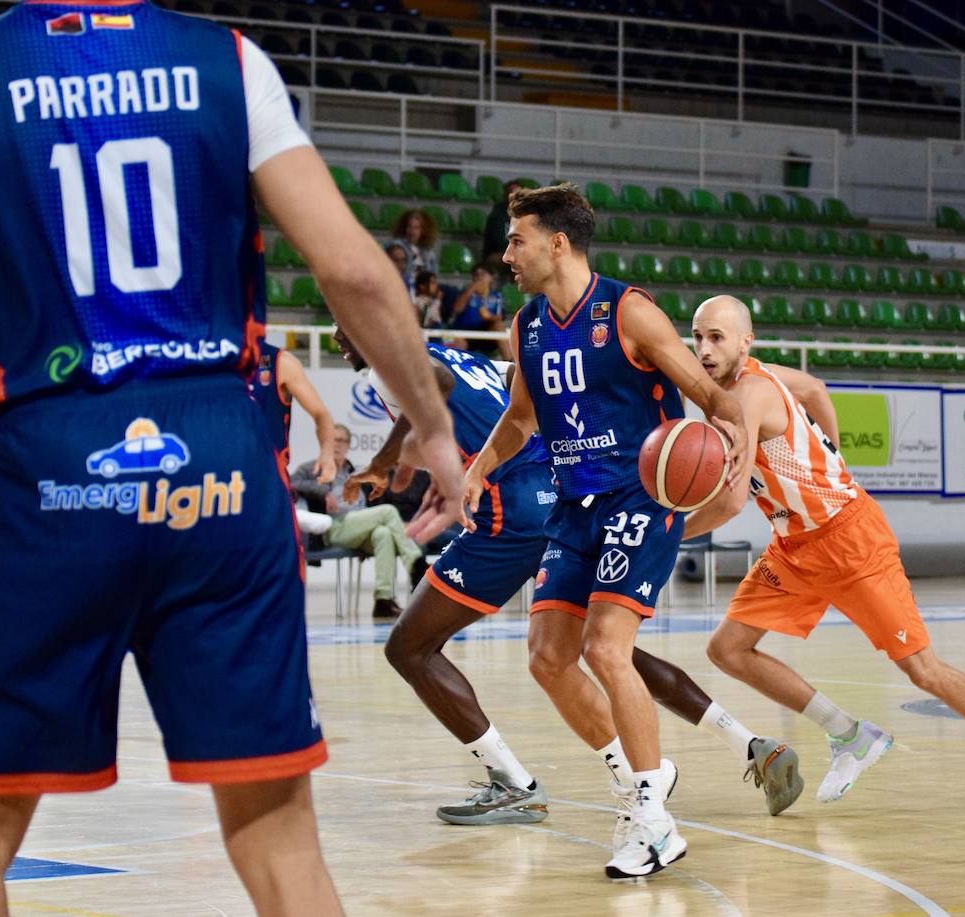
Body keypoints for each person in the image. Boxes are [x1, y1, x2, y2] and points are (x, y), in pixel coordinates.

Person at [0, 5, 462, 914]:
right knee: (276, 834)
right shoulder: (225, 60)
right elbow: (353, 271)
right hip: (219, 454)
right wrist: (431, 426)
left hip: (56, 450)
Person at [334, 328, 803, 828]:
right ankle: (748, 744)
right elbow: (513, 377)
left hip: (511, 514)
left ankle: (518, 784)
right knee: (600, 644)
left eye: (344, 319)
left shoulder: (393, 360)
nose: (342, 335)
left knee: (409, 648)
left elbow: (429, 382)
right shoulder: (454, 353)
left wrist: (383, 463)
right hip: (554, 497)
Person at [452, 183, 747, 880]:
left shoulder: (628, 311)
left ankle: (652, 818)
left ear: (557, 242)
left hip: (643, 495)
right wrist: (480, 467)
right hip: (574, 505)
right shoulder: (527, 325)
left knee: (609, 648)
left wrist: (730, 428)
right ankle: (643, 779)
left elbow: (706, 391)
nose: (507, 253)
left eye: (517, 239)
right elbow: (522, 417)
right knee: (548, 657)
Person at [683, 295, 965, 817]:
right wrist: (832, 452)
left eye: (716, 337)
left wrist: (669, 532)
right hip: (794, 544)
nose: (703, 348)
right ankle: (850, 736)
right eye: (697, 336)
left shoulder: (749, 396)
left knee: (923, 670)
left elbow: (732, 500)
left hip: (850, 539)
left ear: (746, 341)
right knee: (727, 650)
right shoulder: (741, 382)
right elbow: (814, 388)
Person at [293, 425, 421, 620]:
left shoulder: (354, 470)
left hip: (359, 524)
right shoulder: (312, 468)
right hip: (332, 526)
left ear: (348, 445)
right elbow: (292, 483)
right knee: (387, 512)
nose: (336, 445)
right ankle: (417, 567)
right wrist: (323, 492)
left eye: (341, 441)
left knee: (383, 535)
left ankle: (383, 601)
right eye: (332, 440)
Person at [249, 337, 336, 480]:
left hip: (266, 476)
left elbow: (321, 414)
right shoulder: (206, 362)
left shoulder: (280, 361)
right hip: (216, 476)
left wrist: (327, 453)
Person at [448, 265, 511, 360]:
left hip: (486, 334)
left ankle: (509, 363)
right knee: (456, 340)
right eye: (476, 275)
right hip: (465, 332)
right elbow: (457, 309)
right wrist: (471, 290)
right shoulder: (464, 292)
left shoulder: (496, 296)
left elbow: (499, 317)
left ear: (491, 278)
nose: (479, 278)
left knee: (499, 326)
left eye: (483, 274)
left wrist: (489, 317)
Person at [481, 179, 525, 276]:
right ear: (505, 196)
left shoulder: (525, 215)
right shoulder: (497, 215)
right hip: (497, 253)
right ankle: (514, 289)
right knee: (517, 259)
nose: (515, 197)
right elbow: (500, 241)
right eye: (511, 194)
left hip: (518, 251)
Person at [389, 208, 439, 293]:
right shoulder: (397, 246)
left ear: (422, 231)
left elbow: (433, 275)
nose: (412, 231)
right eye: (409, 226)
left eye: (416, 228)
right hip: (403, 288)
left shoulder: (428, 253)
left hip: (422, 290)